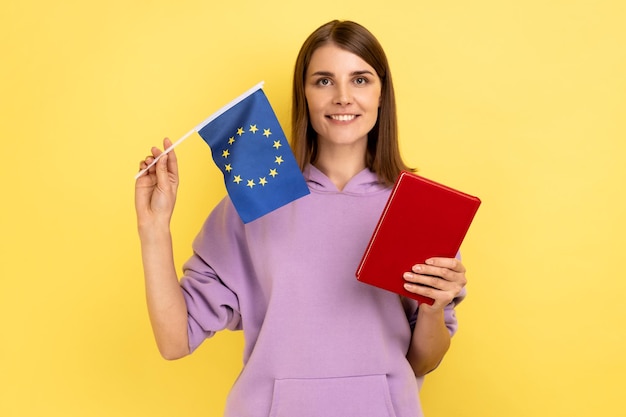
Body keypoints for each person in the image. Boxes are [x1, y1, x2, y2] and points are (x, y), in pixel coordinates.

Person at [135, 20, 467, 417]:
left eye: (360, 80)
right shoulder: (259, 198)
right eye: (323, 81)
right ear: (304, 95)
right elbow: (175, 341)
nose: (343, 97)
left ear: (382, 93)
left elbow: (423, 361)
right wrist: (153, 230)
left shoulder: (418, 209)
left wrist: (434, 305)